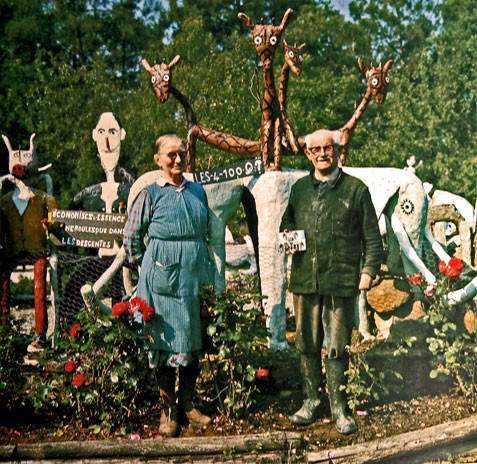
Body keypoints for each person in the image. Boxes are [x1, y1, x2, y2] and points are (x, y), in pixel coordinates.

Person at [280, 129, 383, 435]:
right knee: (307, 342)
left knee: (337, 346)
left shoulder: (355, 189)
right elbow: (287, 224)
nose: (323, 153)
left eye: (329, 148)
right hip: (305, 280)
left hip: (341, 280)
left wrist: (367, 273)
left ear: (338, 151)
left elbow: (373, 240)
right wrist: (287, 236)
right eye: (316, 149)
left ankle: (339, 406)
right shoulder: (299, 189)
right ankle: (311, 401)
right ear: (308, 154)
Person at [124, 134, 215, 437]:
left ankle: (188, 405)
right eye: (171, 155)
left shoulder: (197, 192)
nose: (178, 159)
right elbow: (132, 238)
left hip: (194, 276)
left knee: (192, 341)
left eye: (182, 153)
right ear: (158, 160)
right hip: (161, 280)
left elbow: (206, 235)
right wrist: (149, 267)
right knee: (163, 346)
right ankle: (168, 411)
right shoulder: (150, 194)